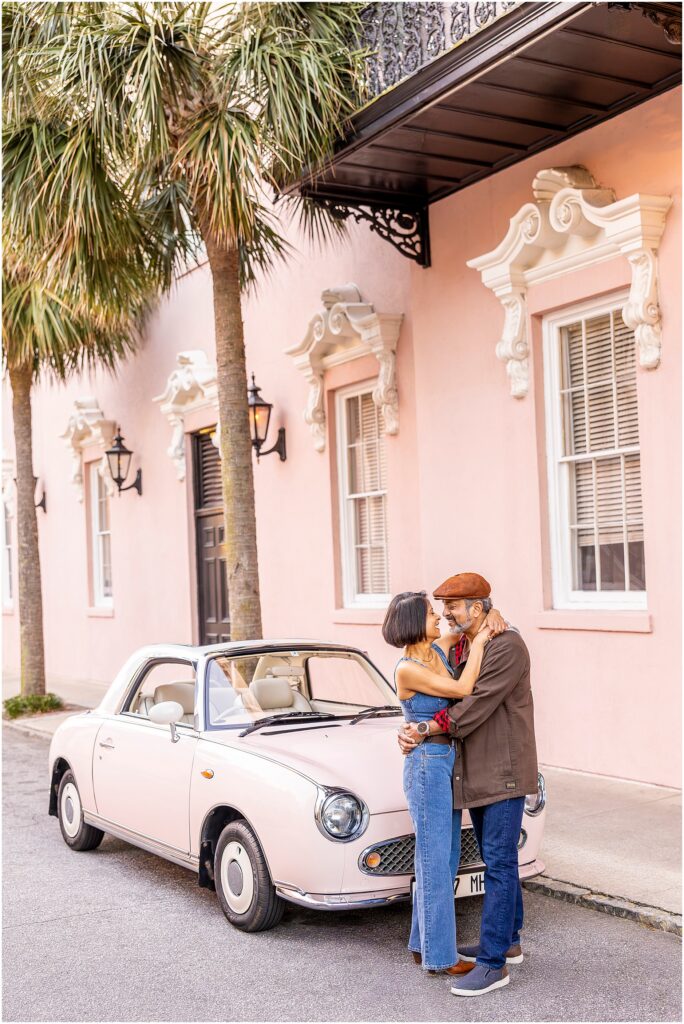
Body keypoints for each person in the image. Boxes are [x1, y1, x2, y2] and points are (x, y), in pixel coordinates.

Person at [399, 572, 538, 998]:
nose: (445, 614)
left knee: (499, 864)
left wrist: (424, 728)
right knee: (496, 860)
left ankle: (494, 965)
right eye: (440, 608)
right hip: (475, 773)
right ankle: (507, 941)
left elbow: (474, 705)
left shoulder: (507, 646)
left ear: (476, 608)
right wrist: (412, 725)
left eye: (453, 607)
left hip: (504, 772)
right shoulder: (464, 644)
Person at [382, 591, 506, 976]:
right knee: (435, 862)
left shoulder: (437, 648)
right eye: (430, 613)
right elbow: (463, 689)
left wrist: (494, 614)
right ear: (412, 622)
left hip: (445, 762)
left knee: (444, 859)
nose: (438, 617)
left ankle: (422, 945)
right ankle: (441, 957)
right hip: (426, 765)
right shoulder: (407, 669)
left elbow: (472, 622)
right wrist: (481, 644)